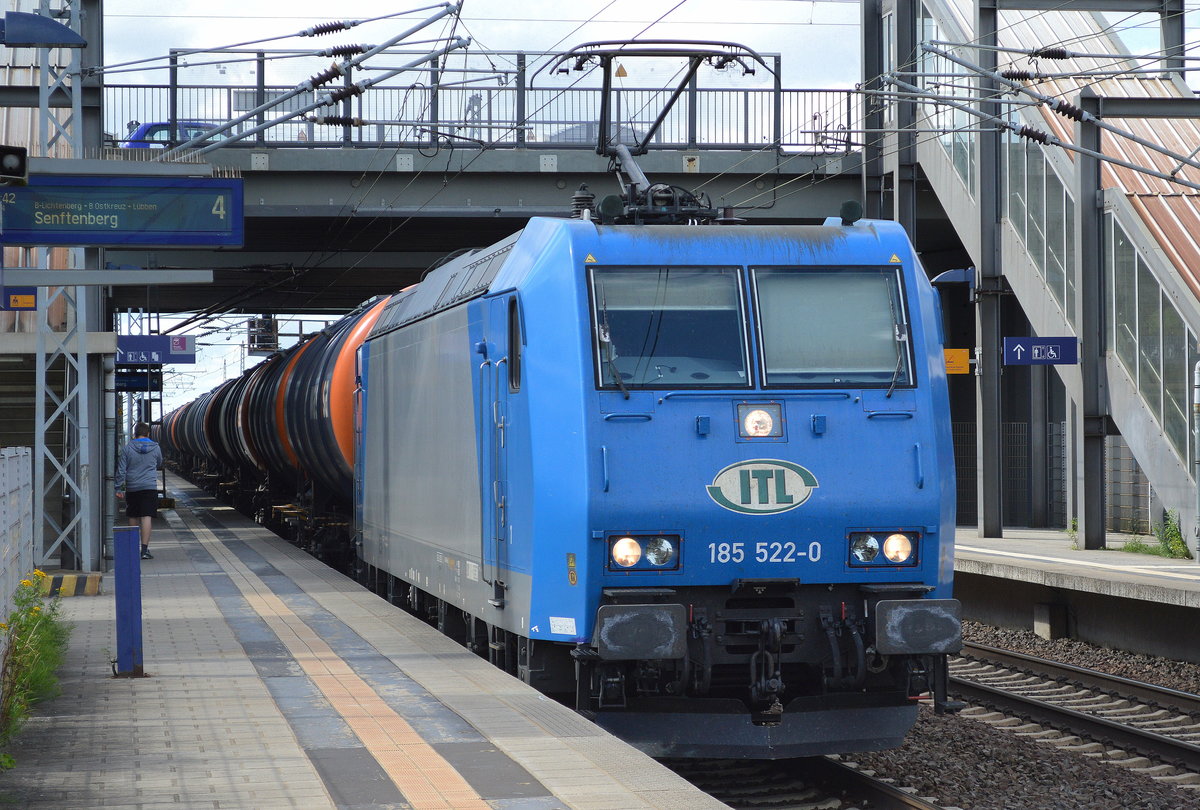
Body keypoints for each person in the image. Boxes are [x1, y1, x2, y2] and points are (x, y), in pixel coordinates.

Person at [115, 422, 164, 560]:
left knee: (133, 516)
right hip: (149, 486)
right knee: (146, 517)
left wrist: (119, 488)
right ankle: (145, 550)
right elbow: (159, 463)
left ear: (135, 433)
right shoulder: (155, 448)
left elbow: (121, 470)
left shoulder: (127, 448)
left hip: (133, 486)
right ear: (148, 433)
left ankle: (132, 548)